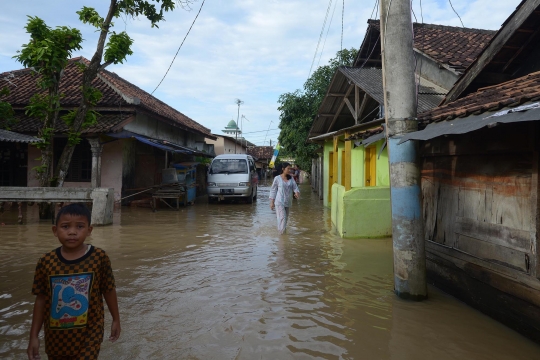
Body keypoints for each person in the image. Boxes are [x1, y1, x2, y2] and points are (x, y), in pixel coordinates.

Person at [27, 203, 120, 360]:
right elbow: (41, 299)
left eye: (79, 226)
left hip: (90, 333)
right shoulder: (46, 261)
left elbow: (109, 289)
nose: (72, 232)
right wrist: (33, 336)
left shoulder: (99, 257)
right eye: (65, 226)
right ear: (55, 231)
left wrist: (116, 319)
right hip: (56, 337)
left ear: (89, 230)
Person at [269, 162, 300, 234]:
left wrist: (296, 193)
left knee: (285, 219)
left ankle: (282, 233)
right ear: (283, 169)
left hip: (288, 202)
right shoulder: (277, 178)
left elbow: (295, 187)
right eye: (288, 168)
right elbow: (273, 190)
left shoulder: (291, 178)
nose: (290, 170)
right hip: (279, 202)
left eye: (290, 169)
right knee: (282, 218)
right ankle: (282, 238)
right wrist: (272, 202)